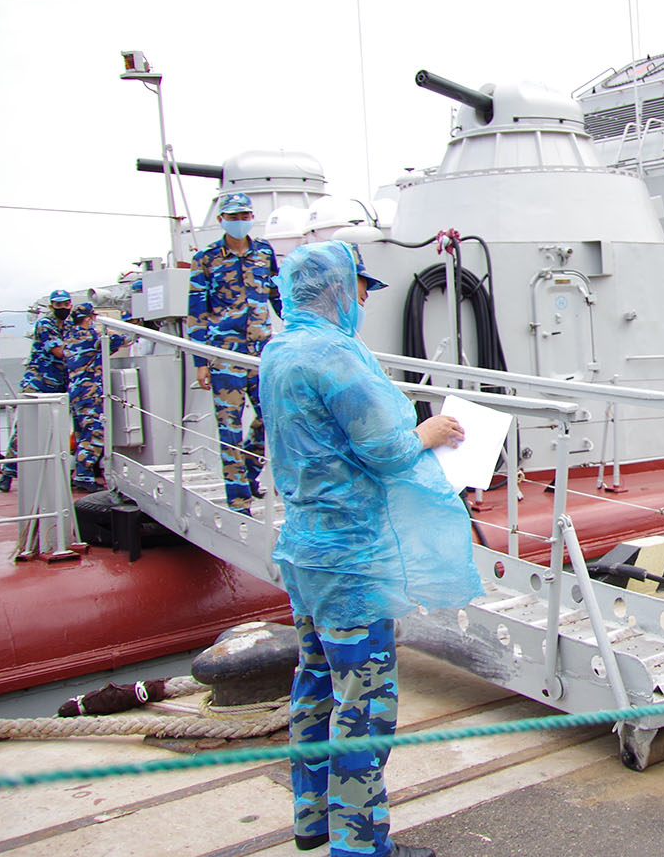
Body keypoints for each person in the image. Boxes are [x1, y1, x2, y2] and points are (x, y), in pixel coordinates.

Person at [261, 240, 483, 857]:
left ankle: (313, 819)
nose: (364, 298)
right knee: (362, 704)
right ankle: (360, 845)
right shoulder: (334, 355)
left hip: (305, 548)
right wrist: (430, 430)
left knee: (315, 684)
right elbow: (387, 449)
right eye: (360, 286)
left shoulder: (279, 350)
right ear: (337, 287)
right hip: (350, 559)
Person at [188, 192, 282, 514]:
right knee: (229, 427)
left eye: (244, 216)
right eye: (233, 216)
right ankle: (239, 499)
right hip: (224, 354)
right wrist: (201, 362)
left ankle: (250, 471)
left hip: (261, 353)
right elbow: (196, 311)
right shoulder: (206, 258)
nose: (240, 221)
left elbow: (277, 295)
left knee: (271, 417)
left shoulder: (264, 253)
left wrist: (298, 325)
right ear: (221, 220)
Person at [0, 289, 72, 492]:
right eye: (58, 305)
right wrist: (86, 349)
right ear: (51, 306)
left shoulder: (69, 326)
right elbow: (59, 352)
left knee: (58, 429)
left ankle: (55, 472)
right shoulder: (45, 324)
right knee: (25, 428)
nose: (63, 308)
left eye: (66, 304)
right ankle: (8, 472)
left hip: (59, 384)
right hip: (38, 383)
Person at [63, 303, 131, 492]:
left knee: (80, 433)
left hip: (75, 392)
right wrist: (112, 329)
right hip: (90, 392)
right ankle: (84, 475)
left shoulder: (69, 337)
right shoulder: (93, 337)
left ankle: (80, 472)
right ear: (88, 319)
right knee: (94, 433)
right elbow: (125, 340)